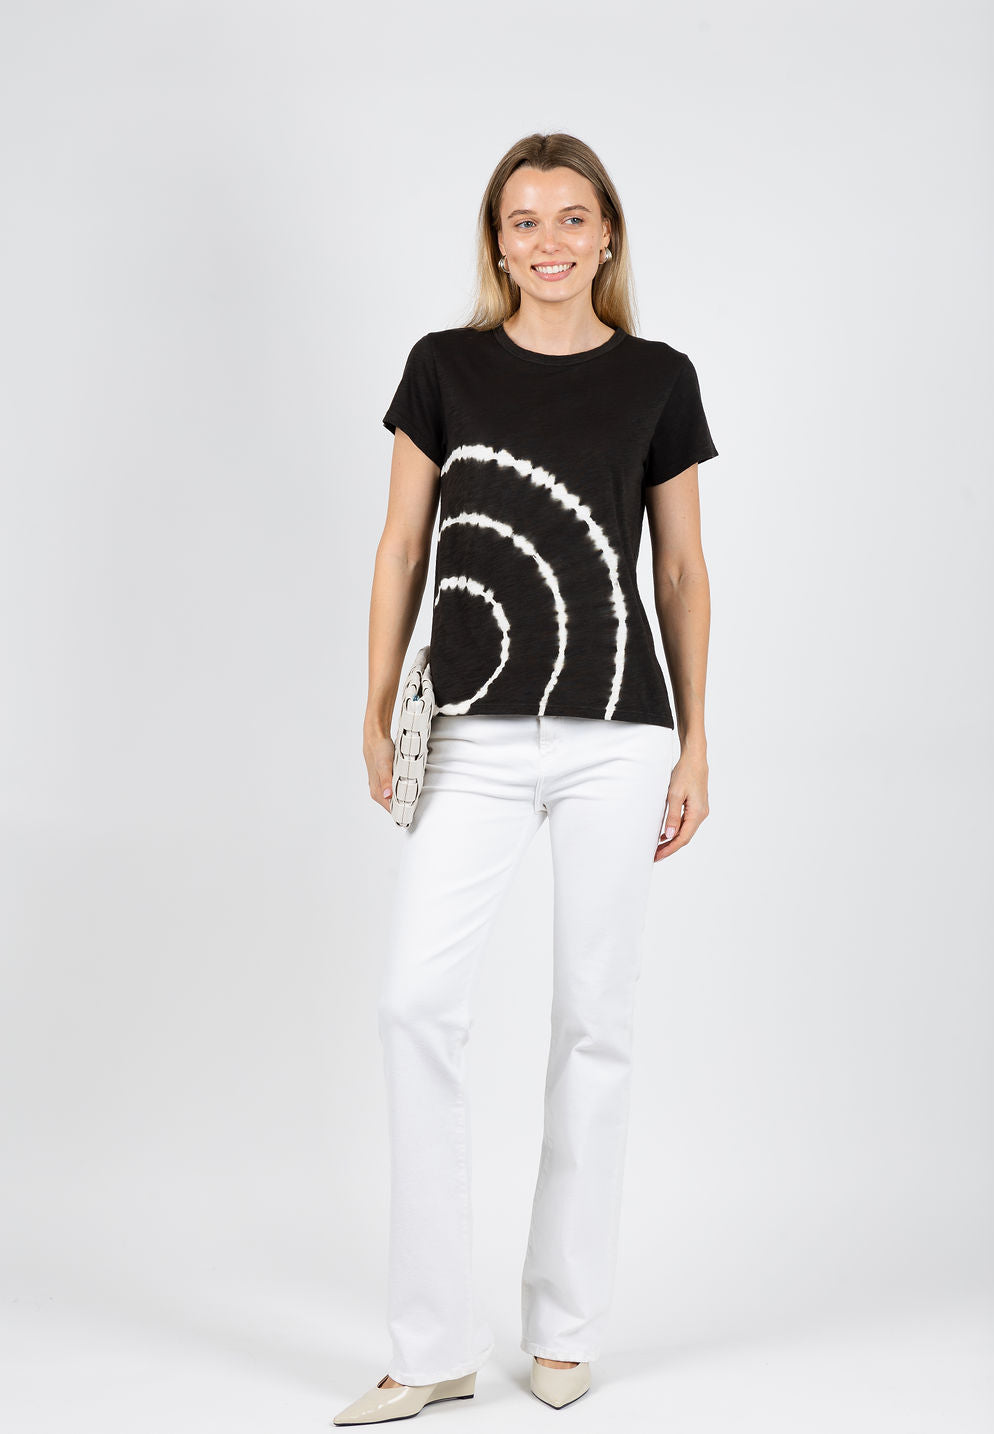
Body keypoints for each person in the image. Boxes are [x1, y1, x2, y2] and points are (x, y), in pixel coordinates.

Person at [337, 130, 719, 1425]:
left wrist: (696, 738)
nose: (547, 241)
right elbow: (401, 546)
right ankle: (432, 1342)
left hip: (620, 733)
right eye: (523, 220)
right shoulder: (443, 368)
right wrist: (377, 704)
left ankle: (566, 1325)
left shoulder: (659, 379)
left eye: (570, 217)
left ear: (606, 235)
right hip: (474, 733)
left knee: (595, 1020)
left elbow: (681, 568)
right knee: (414, 1004)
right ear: (496, 244)